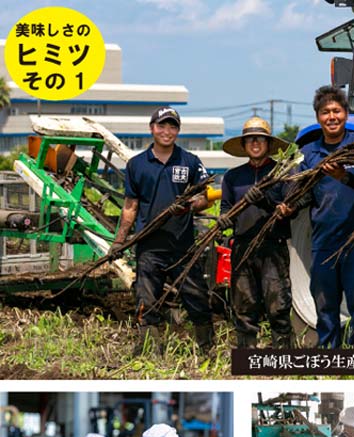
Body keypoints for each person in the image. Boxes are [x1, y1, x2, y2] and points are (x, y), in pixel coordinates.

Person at [277, 86, 354, 348]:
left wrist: (343, 176)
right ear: (317, 117)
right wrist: (289, 206)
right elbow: (301, 191)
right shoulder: (310, 153)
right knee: (324, 304)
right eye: (325, 112)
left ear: (345, 114)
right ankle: (328, 355)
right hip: (324, 242)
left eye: (336, 111)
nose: (331, 117)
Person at [110, 106, 214, 356]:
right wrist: (119, 242)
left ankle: (206, 348)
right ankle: (150, 350)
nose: (167, 131)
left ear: (178, 131)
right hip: (149, 245)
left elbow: (206, 198)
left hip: (182, 244)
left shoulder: (189, 161)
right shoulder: (136, 165)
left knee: (196, 297)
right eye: (162, 126)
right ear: (152, 128)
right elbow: (130, 207)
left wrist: (191, 205)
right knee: (146, 300)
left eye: (172, 126)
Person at [218, 117, 294, 349]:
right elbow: (226, 209)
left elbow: (290, 208)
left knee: (278, 304)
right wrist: (224, 219)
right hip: (242, 246)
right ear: (244, 145)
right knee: (243, 305)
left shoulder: (282, 173)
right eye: (250, 139)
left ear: (268, 143)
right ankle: (247, 355)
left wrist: (266, 200)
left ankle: (282, 357)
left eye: (260, 139)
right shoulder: (233, 177)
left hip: (273, 246)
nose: (255, 143)